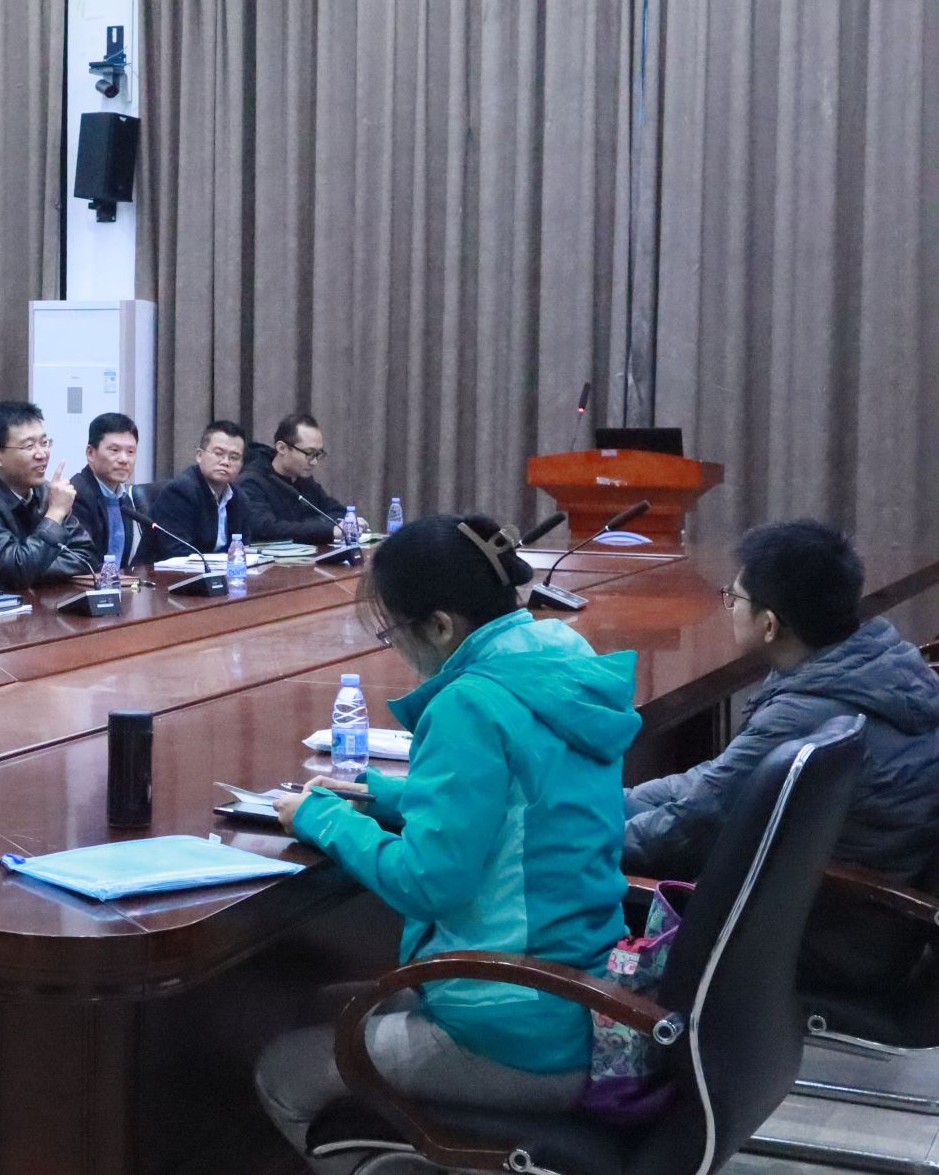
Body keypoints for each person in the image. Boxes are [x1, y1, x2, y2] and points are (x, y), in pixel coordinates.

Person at [258, 515, 641, 1172]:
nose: (398, 649)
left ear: (439, 625)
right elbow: (516, 802)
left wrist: (325, 820)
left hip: (513, 1028)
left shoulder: (471, 702)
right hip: (582, 1000)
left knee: (283, 1069)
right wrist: (379, 794)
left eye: (396, 632)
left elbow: (427, 880)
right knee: (325, 1003)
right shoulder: (559, 663)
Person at [623, 520, 939, 984]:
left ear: (769, 624)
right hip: (866, 920)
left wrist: (578, 842)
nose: (729, 608)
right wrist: (621, 801)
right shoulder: (876, 663)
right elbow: (718, 782)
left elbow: (689, 830)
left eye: (733, 598)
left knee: (581, 885)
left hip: (823, 936)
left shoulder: (808, 712)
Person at [0, 400, 98, 591]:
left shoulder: (44, 492)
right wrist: (55, 514)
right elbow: (17, 570)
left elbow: (86, 555)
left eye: (44, 443)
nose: (42, 454)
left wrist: (34, 569)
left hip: (31, 603)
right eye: (29, 446)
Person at [146, 420, 250, 558]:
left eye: (234, 457)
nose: (225, 462)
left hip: (218, 570)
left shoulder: (239, 498)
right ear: (199, 456)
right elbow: (177, 553)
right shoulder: (179, 492)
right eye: (218, 453)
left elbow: (243, 548)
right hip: (161, 571)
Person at [243, 412, 350, 544]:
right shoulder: (251, 482)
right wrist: (326, 529)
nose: (314, 462)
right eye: (309, 453)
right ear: (282, 448)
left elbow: (338, 511)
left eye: (318, 454)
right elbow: (266, 529)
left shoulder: (304, 480)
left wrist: (346, 523)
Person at [69, 412, 149, 572]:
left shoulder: (123, 498)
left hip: (115, 583)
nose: (124, 459)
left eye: (131, 452)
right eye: (114, 450)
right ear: (90, 453)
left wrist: (133, 584)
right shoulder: (77, 495)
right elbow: (84, 562)